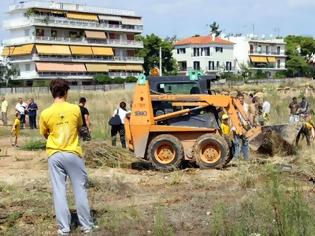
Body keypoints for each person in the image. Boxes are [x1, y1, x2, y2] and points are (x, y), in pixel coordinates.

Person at [39, 79, 95, 235]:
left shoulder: (45, 113)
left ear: (51, 93)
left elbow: (45, 133)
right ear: (66, 92)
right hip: (73, 153)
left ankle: (64, 228)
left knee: (59, 192)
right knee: (80, 190)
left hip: (55, 155)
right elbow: (79, 127)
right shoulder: (76, 109)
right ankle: (86, 226)